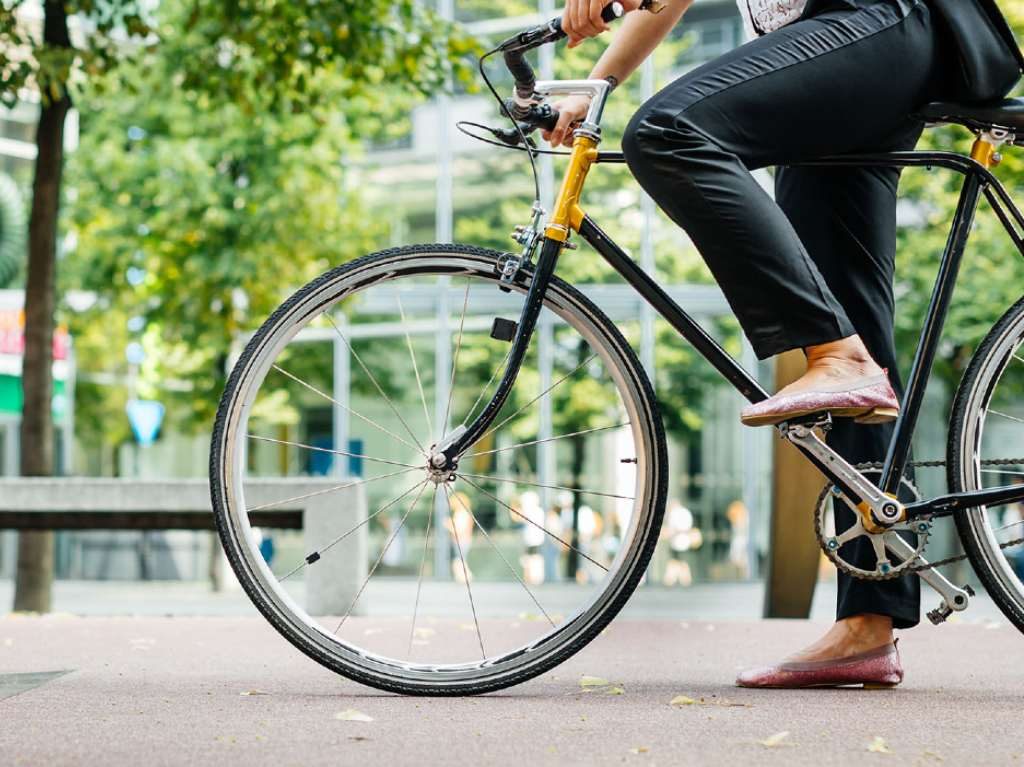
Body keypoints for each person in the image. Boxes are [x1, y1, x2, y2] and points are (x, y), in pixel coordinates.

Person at [549, 0, 952, 688]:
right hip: (839, 47)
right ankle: (869, 621)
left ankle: (838, 354)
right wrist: (601, 83)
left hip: (879, 22)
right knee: (849, 317)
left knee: (669, 130)